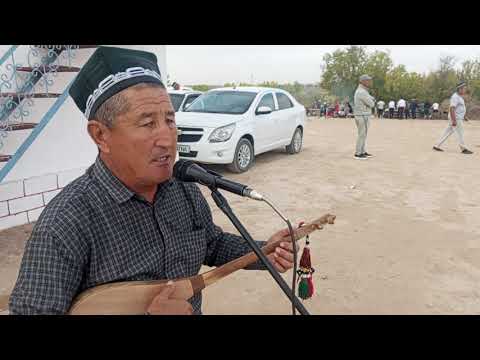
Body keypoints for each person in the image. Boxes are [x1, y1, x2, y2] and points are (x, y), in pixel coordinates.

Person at [8, 47, 297, 315]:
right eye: (147, 123)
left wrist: (263, 252)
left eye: (170, 121)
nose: (167, 138)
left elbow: (211, 243)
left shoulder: (183, 189)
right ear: (100, 136)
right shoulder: (66, 223)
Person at [433, 82, 473, 154]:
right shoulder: (455, 97)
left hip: (457, 117)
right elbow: (452, 109)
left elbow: (460, 108)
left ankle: (436, 145)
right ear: (459, 89)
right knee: (460, 133)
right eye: (464, 89)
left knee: (447, 132)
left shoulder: (459, 97)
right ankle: (463, 148)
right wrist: (454, 120)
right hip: (456, 118)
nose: (465, 90)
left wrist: (464, 116)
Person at [353, 74, 375, 160]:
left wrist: (371, 99)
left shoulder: (362, 91)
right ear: (363, 81)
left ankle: (362, 151)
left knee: (363, 134)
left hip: (362, 115)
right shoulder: (362, 92)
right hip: (363, 115)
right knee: (362, 135)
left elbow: (371, 99)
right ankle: (358, 153)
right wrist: (372, 100)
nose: (370, 82)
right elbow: (372, 103)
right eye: (368, 80)